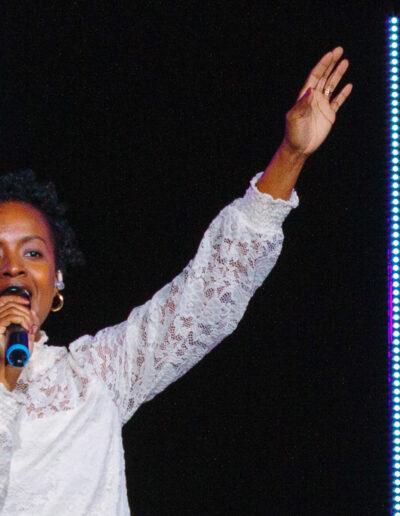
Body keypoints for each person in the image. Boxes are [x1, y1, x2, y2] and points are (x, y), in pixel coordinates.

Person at [0, 47, 352, 515]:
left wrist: (290, 155)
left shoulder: (95, 375)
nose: (14, 268)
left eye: (33, 253)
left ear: (56, 279)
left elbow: (206, 293)